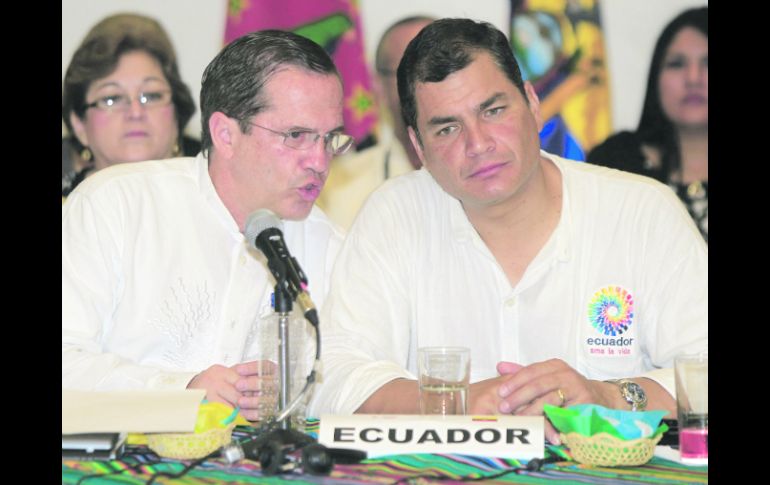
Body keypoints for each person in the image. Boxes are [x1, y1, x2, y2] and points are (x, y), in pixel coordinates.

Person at [308, 19, 707, 444]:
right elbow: (331, 374)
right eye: (447, 128)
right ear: (418, 147)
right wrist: (450, 402)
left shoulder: (642, 211)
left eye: (493, 111)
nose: (478, 144)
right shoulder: (393, 215)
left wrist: (608, 396)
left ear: (533, 105)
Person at [62, 30, 353, 421]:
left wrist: (290, 396)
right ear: (225, 134)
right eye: (297, 136)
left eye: (330, 138)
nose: (319, 161)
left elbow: (342, 383)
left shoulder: (329, 246)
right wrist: (181, 392)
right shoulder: (116, 205)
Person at [588, 7, 707, 241]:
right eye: (676, 64)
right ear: (656, 77)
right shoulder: (615, 166)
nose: (693, 78)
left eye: (707, 62)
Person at [62, 13, 200, 198]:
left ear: (177, 112)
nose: (135, 112)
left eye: (151, 96)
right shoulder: (69, 212)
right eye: (112, 98)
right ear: (79, 124)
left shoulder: (219, 200)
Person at [316, 16, 434, 230]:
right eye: (410, 72)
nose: (430, 84)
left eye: (443, 69)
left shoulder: (491, 166)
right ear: (378, 85)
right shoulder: (340, 188)